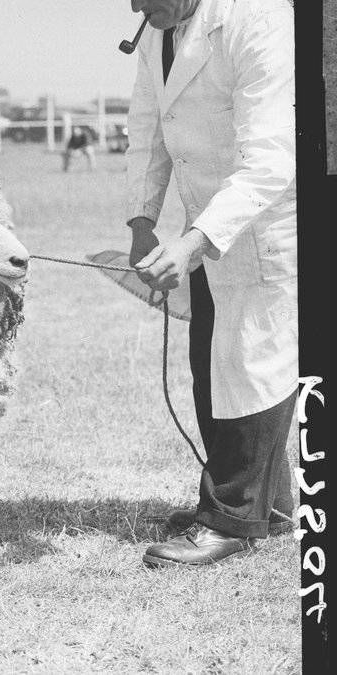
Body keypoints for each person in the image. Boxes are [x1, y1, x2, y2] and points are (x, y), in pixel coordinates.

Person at [122, 0, 297, 568]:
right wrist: (142, 220)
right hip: (206, 220)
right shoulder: (157, 26)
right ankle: (268, 506)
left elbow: (271, 159)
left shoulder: (258, 19)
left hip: (268, 220)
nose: (137, 7)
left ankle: (231, 517)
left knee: (252, 360)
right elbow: (149, 126)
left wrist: (194, 242)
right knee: (212, 361)